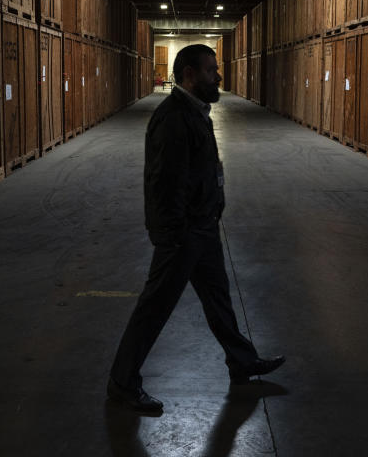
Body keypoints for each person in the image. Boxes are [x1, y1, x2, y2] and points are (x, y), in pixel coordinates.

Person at [107, 44, 285, 414]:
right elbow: (165, 184)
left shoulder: (195, 112)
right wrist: (173, 237)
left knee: (218, 297)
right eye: (210, 70)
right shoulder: (173, 118)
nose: (218, 76)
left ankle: (242, 361)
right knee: (155, 308)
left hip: (202, 228)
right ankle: (122, 383)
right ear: (189, 74)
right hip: (183, 234)